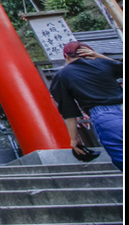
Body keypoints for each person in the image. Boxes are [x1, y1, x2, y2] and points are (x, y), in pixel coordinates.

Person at [49, 41, 123, 172]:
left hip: (105, 116)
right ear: (89, 53)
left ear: (66, 56)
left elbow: (69, 111)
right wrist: (99, 56)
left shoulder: (63, 75)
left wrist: (74, 139)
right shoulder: (103, 64)